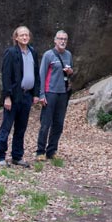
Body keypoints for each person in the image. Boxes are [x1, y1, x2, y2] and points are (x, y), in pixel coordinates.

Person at [0, 25, 40, 167]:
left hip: (27, 96)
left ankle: (17, 156)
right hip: (14, 96)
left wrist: (36, 94)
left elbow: (36, 74)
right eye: (22, 35)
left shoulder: (32, 52)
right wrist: (7, 97)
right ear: (16, 37)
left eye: (26, 35)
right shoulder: (11, 53)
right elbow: (6, 75)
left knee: (21, 128)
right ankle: (0, 157)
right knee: (6, 127)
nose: (25, 37)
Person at [35, 30, 74, 161]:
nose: (62, 41)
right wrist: (41, 95)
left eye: (65, 39)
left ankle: (52, 151)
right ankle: (40, 151)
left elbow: (70, 72)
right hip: (50, 92)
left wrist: (70, 71)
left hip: (63, 93)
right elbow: (42, 75)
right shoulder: (48, 55)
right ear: (55, 40)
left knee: (59, 124)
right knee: (46, 123)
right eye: (60, 39)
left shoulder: (68, 55)